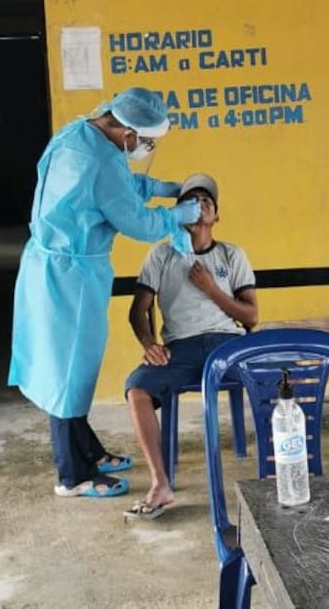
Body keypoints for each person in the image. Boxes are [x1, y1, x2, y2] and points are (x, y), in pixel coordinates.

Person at [7, 87, 203, 499]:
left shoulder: (80, 134)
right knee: (68, 371)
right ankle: (72, 475)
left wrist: (159, 188)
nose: (145, 147)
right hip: (69, 277)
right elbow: (139, 224)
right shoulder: (100, 162)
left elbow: (116, 184)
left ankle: (88, 451)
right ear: (129, 132)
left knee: (74, 368)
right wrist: (177, 217)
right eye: (146, 141)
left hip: (54, 264)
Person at [121, 174, 258, 520]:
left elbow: (251, 316)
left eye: (206, 201)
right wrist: (149, 343)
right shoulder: (161, 255)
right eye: (190, 202)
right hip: (179, 347)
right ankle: (160, 483)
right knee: (137, 390)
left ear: (216, 216)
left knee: (273, 380)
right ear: (178, 213)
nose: (199, 206)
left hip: (226, 343)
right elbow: (139, 310)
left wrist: (212, 289)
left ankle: (272, 477)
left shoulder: (231, 254)